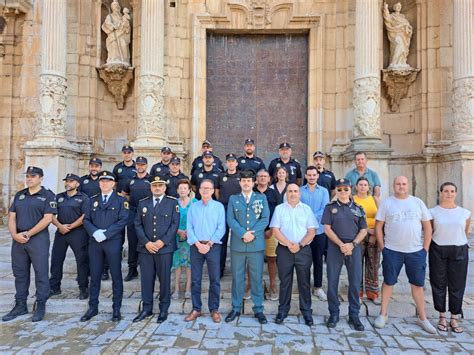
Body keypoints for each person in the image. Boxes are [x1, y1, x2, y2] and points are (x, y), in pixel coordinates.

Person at [374, 176, 436, 334]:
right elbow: (378, 226)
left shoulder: (418, 202)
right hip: (392, 251)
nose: (401, 186)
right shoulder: (387, 203)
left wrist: (425, 249)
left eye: (403, 184)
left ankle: (422, 318)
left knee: (418, 285)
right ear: (393, 186)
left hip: (415, 252)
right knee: (388, 282)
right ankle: (383, 314)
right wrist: (383, 248)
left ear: (408, 185)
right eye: (398, 184)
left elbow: (428, 227)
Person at [2, 166, 56, 322]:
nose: (29, 179)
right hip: (18, 240)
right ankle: (20, 304)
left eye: (33, 176)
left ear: (41, 178)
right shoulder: (20, 195)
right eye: (27, 176)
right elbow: (12, 217)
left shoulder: (47, 195)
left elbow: (47, 219)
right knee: (20, 273)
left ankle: (40, 304)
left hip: (37, 239)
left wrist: (28, 234)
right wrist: (14, 235)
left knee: (41, 272)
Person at [81, 171, 129, 322]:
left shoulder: (121, 201)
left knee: (116, 275)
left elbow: (123, 220)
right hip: (95, 242)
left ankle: (116, 308)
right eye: (102, 181)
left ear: (114, 184)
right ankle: (93, 307)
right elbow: (86, 219)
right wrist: (95, 232)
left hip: (113, 242)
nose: (104, 183)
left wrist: (107, 234)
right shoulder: (91, 200)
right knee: (94, 276)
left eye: (108, 181)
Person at [322, 178, 367, 331]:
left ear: (350, 190)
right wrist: (341, 244)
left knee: (354, 283)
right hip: (335, 248)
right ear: (336, 191)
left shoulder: (358, 208)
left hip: (353, 247)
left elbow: (363, 230)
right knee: (332, 282)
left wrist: (352, 244)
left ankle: (354, 315)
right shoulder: (330, 207)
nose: (342, 192)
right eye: (339, 189)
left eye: (345, 189)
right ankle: (334, 313)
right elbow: (327, 228)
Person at [133, 176, 180, 323]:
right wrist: (146, 242)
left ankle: (163, 308)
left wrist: (162, 242)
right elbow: (137, 224)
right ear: (151, 188)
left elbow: (174, 224)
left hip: (164, 249)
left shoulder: (172, 203)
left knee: (164, 279)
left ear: (165, 187)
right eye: (155, 186)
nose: (157, 188)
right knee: (146, 279)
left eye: (160, 185)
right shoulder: (143, 203)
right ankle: (147, 308)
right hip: (146, 248)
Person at [225, 170, 270, 325]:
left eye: (249, 181)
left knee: (256, 278)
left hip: (256, 244)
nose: (246, 183)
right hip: (238, 244)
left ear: (253, 183)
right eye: (243, 180)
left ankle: (258, 309)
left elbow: (265, 218)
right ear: (240, 183)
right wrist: (243, 233)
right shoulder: (233, 199)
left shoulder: (261, 198)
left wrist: (253, 233)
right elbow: (230, 219)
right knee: (237, 278)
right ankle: (236, 307)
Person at [270, 183, 317, 326]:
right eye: (290, 191)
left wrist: (300, 244)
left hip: (303, 250)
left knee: (304, 282)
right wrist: (289, 244)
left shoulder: (307, 210)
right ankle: (283, 311)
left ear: (299, 194)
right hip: (285, 250)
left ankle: (307, 312)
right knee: (285, 282)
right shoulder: (279, 209)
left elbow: (311, 231)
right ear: (286, 193)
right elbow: (275, 230)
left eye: (295, 191)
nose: (292, 193)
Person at [429, 182, 471, 333]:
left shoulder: (465, 213)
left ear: (456, 193)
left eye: (452, 191)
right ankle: (441, 316)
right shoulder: (432, 212)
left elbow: (465, 231)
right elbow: (430, 230)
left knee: (457, 284)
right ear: (440, 193)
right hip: (438, 248)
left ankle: (454, 317)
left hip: (459, 249)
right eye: (446, 191)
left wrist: (462, 243)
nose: (449, 194)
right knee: (438, 282)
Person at [184, 180, 226, 323]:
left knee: (215, 279)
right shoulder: (193, 207)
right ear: (199, 190)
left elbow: (221, 228)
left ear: (213, 190)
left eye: (208, 188)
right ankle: (196, 308)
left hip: (212, 246)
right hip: (196, 246)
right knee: (196, 279)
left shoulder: (219, 207)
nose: (206, 191)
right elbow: (189, 227)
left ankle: (214, 309)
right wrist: (197, 243)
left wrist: (209, 243)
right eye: (203, 188)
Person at [49, 173, 90, 300]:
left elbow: (85, 216)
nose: (68, 183)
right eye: (66, 181)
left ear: (77, 184)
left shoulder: (83, 198)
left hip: (77, 232)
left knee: (81, 261)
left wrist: (71, 226)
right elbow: (50, 214)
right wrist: (60, 226)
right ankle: (54, 287)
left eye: (71, 181)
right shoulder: (58, 197)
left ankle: (83, 288)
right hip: (61, 232)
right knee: (56, 260)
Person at [300, 166, 329, 301]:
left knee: (318, 260)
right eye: (309, 175)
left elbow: (324, 209)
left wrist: (309, 218)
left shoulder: (324, 192)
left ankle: (318, 287)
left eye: (314, 175)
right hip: (303, 232)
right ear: (305, 176)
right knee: (304, 261)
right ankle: (304, 287)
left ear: (318, 176)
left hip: (319, 231)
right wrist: (306, 220)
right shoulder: (300, 191)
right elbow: (298, 208)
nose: (312, 177)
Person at [121, 156, 152, 281]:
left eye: (142, 165)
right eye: (138, 164)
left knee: (147, 240)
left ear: (146, 166)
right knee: (133, 241)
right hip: (133, 213)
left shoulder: (151, 180)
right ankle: (132, 269)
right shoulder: (130, 181)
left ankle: (148, 269)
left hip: (149, 213)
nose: (140, 167)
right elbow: (124, 194)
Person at [353, 176, 381, 304]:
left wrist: (375, 232)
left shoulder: (374, 199)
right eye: (360, 184)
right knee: (357, 264)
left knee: (373, 263)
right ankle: (357, 293)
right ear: (356, 187)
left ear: (368, 187)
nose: (363, 187)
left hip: (373, 235)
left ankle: (372, 293)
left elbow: (381, 217)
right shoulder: (352, 200)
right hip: (357, 235)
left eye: (365, 185)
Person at [254, 169, 280, 301]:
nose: (263, 178)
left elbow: (278, 212)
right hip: (253, 232)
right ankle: (251, 284)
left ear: (269, 179)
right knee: (252, 259)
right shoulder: (251, 192)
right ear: (256, 179)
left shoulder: (274, 193)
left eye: (265, 176)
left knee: (271, 259)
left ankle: (273, 284)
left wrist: (272, 229)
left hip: (271, 231)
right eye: (260, 176)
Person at [215, 153, 241, 278]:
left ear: (236, 163)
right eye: (228, 161)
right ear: (226, 163)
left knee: (238, 240)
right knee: (222, 240)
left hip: (238, 211)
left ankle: (237, 270)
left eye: (233, 161)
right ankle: (220, 269)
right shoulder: (221, 176)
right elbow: (217, 191)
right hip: (223, 209)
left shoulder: (241, 176)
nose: (230, 163)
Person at [171, 179, 196, 299]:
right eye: (180, 188)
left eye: (185, 188)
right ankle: (176, 289)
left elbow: (197, 221)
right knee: (177, 264)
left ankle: (188, 289)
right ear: (177, 190)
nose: (182, 190)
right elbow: (169, 221)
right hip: (176, 236)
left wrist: (188, 232)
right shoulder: (173, 203)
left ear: (189, 190)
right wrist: (178, 231)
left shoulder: (195, 203)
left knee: (189, 264)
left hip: (191, 237)